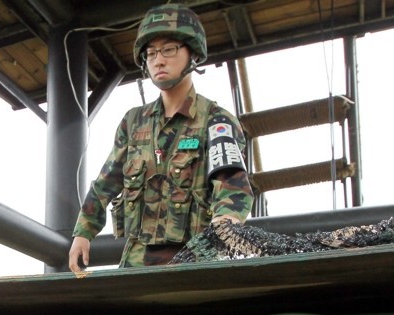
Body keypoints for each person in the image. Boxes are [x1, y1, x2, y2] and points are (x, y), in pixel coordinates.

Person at [67, 4, 255, 272]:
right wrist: (83, 232)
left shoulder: (215, 120)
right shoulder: (133, 122)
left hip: (195, 258)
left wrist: (226, 220)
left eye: (169, 49)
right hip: (136, 260)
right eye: (151, 53)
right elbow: (106, 183)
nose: (159, 60)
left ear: (192, 53)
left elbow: (232, 185)